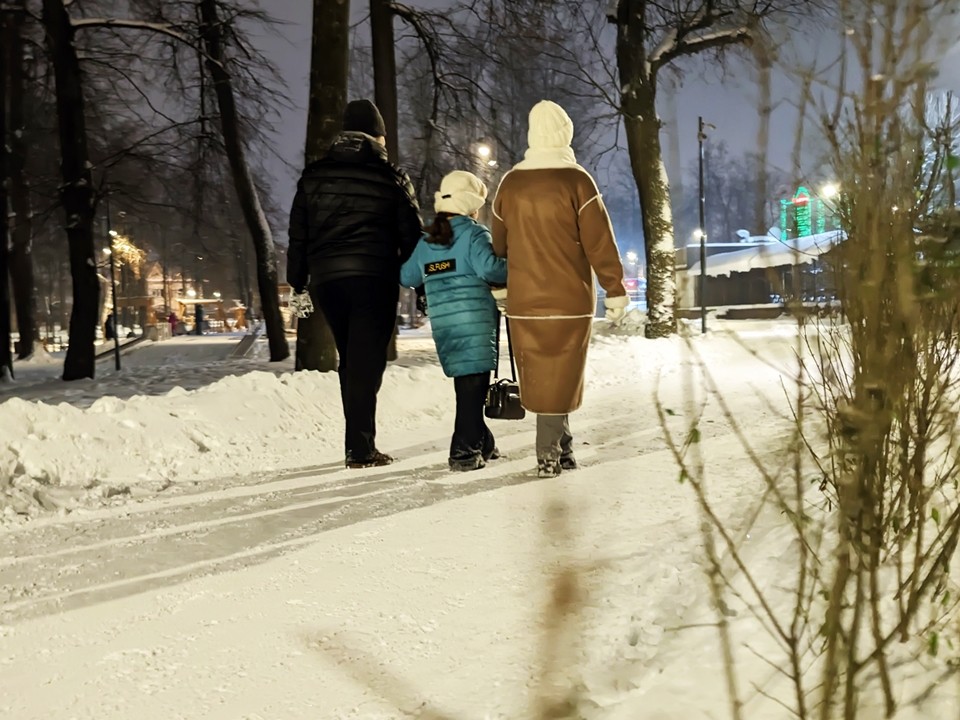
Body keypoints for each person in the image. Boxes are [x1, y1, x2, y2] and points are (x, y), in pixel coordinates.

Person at [491, 100, 628, 478]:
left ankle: (563, 449)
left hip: (524, 301)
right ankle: (548, 454)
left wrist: (501, 287)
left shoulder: (510, 183)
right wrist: (614, 289)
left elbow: (498, 245)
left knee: (546, 378)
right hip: (570, 300)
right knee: (561, 377)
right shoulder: (577, 181)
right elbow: (600, 242)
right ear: (565, 131)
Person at [287, 99, 423, 469]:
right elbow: (412, 234)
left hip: (327, 280)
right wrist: (423, 287)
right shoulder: (391, 175)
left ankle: (358, 443)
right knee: (366, 361)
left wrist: (297, 282)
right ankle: (360, 447)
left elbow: (298, 234)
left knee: (351, 358)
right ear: (378, 135)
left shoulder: (313, 176)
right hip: (373, 278)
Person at [400, 171, 507, 472]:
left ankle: (483, 442)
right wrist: (519, 263)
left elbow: (406, 276)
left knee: (467, 387)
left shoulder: (427, 242)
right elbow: (492, 270)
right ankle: (463, 451)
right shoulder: (474, 234)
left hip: (446, 327)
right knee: (473, 387)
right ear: (471, 206)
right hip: (475, 323)